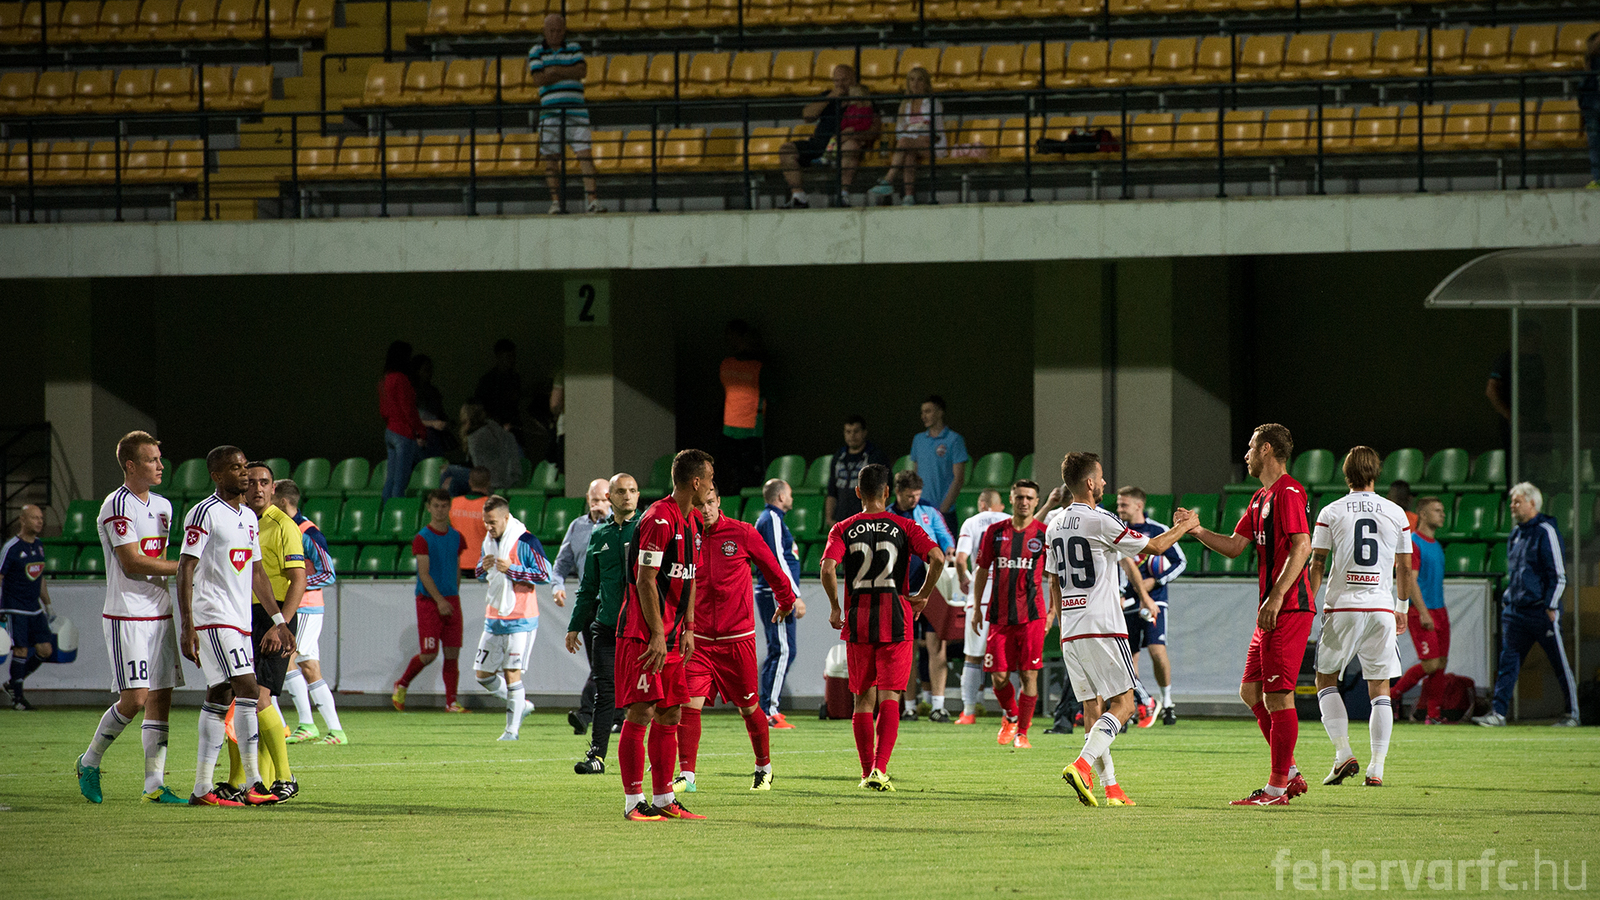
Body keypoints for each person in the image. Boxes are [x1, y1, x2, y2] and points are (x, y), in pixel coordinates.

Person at [1177, 423, 1315, 807]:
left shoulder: (1289, 492)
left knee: (1278, 696)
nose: (1246, 455)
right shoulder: (1260, 498)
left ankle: (1276, 789)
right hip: (1271, 609)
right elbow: (1236, 546)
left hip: (1287, 607)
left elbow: (1303, 545)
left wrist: (1277, 596)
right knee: (1251, 691)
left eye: (1251, 447)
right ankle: (1289, 773)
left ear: (1266, 449)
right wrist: (1196, 530)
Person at [1050, 453, 1192, 808]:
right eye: (1100, 478)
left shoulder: (1055, 524)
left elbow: (1053, 581)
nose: (1104, 484)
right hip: (1103, 626)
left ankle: (1110, 787)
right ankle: (1082, 765)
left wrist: (1063, 622)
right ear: (1089, 483)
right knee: (1125, 704)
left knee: (1092, 708)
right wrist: (1186, 526)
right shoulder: (1100, 520)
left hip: (1071, 629)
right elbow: (1156, 546)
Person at [175, 445, 294, 807]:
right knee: (249, 688)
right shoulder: (204, 513)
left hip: (240, 620)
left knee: (221, 694)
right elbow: (185, 567)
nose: (244, 473)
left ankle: (201, 788)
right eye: (236, 468)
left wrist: (279, 620)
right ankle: (255, 783)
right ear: (216, 475)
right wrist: (187, 624)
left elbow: (257, 573)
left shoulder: (247, 518)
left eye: (245, 466)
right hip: (213, 616)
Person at [75, 431, 186, 804]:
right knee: (135, 698)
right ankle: (89, 761)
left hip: (160, 613)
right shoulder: (116, 505)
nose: (160, 465)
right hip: (127, 614)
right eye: (152, 460)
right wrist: (186, 567)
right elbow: (132, 561)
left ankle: (154, 785)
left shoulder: (164, 506)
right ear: (131, 465)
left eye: (159, 458)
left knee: (160, 699)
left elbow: (158, 559)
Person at [821, 463, 944, 792]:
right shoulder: (905, 525)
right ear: (888, 492)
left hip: (859, 620)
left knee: (863, 699)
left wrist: (835, 607)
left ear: (858, 492)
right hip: (896, 619)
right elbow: (938, 557)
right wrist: (923, 595)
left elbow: (828, 568)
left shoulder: (842, 528)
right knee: (890, 696)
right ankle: (880, 769)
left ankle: (865, 773)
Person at [675, 483, 799, 793]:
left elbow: (772, 568)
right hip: (699, 639)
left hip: (737, 639)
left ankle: (764, 767)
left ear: (719, 501)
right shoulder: (685, 535)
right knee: (689, 706)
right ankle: (687, 775)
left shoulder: (742, 533)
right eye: (699, 504)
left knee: (749, 707)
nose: (705, 509)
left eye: (710, 502)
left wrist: (786, 600)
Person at [1307, 446, 1416, 788]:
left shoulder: (1331, 511)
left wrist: (1307, 602)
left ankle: (1343, 753)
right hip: (1381, 608)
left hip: (1343, 606)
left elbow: (1317, 563)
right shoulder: (1396, 513)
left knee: (1325, 679)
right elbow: (1404, 567)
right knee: (1380, 687)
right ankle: (1376, 767)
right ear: (1376, 472)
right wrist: (1402, 608)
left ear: (1346, 473)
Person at [613, 449, 714, 821]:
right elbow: (645, 580)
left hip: (672, 635)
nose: (712, 488)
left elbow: (690, 578)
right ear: (696, 482)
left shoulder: (693, 523)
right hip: (643, 634)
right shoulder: (659, 518)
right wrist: (657, 633)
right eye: (710, 481)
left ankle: (663, 798)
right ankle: (632, 801)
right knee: (641, 711)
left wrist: (689, 627)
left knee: (671, 714)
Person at [1472, 482, 1579, 727]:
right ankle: (1498, 713)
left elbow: (1559, 575)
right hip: (1516, 612)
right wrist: (1509, 600)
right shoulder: (1516, 534)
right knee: (1507, 663)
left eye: (1517, 501)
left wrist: (1551, 606)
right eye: (1512, 502)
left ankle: (1573, 714)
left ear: (1532, 503)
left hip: (1541, 611)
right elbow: (1516, 573)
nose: (1512, 506)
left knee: (1559, 662)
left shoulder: (1546, 531)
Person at [229, 462, 304, 799]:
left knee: (258, 698)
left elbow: (298, 580)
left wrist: (280, 624)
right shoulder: (238, 521)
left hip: (272, 616)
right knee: (240, 700)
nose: (257, 488)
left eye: (264, 482)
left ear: (274, 488)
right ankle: (242, 783)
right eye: (252, 482)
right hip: (241, 616)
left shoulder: (284, 526)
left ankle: (285, 778)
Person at [566, 472, 641, 775]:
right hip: (607, 625)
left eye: (632, 490)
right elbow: (588, 586)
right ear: (610, 497)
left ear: (638, 495)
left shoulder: (648, 529)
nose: (627, 496)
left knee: (650, 697)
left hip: (642, 629)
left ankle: (661, 759)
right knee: (605, 691)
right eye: (621, 491)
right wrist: (574, 625)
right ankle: (597, 756)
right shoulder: (600, 535)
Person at [971, 480, 1049, 748]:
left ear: (1036, 502)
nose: (1024, 502)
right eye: (1019, 497)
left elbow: (1055, 576)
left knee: (1029, 674)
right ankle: (1012, 716)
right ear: (1012, 499)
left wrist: (1053, 613)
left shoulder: (1044, 534)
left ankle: (1022, 733)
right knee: (998, 677)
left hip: (1032, 616)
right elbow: (982, 570)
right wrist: (977, 608)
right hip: (999, 616)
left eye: (1029, 498)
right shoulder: (994, 532)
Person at [475, 494, 559, 741]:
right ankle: (522, 704)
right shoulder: (488, 542)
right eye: (485, 522)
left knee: (512, 672)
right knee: (483, 675)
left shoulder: (526, 540)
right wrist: (483, 567)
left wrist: (512, 569)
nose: (488, 527)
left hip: (521, 618)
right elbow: (481, 574)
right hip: (494, 616)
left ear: (505, 518)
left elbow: (545, 574)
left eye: (492, 522)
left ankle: (511, 731)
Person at [273, 479, 346, 745]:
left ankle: (306, 724)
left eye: (272, 498)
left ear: (283, 502)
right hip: (298, 606)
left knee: (287, 657)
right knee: (310, 666)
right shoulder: (284, 528)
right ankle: (335, 731)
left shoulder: (308, 532)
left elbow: (328, 573)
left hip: (305, 607)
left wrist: (297, 585)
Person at [1114, 485, 1187, 727]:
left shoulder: (1158, 530)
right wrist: (1121, 592)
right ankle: (1135, 706)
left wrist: (1156, 580)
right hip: (1127, 601)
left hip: (1155, 600)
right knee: (1129, 656)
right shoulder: (1117, 529)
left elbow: (1180, 562)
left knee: (1157, 651)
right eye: (1118, 504)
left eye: (1124, 504)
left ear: (1139, 505)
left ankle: (1167, 703)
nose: (1119, 508)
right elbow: (1117, 565)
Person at [394, 490, 470, 713]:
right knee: (429, 654)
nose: (440, 510)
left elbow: (456, 567)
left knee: (452, 652)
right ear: (429, 508)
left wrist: (454, 595)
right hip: (429, 602)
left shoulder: (456, 537)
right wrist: (440, 601)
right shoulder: (423, 538)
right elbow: (424, 573)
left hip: (451, 600)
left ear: (449, 508)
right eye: (436, 506)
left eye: (444, 506)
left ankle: (451, 702)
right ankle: (402, 683)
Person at [888, 469, 954, 720]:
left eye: (917, 494)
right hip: (902, 591)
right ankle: (909, 706)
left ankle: (938, 705)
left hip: (932, 591)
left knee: (937, 646)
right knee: (908, 650)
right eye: (909, 495)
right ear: (897, 492)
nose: (914, 499)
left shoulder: (929, 512)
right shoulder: (889, 516)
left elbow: (945, 537)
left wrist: (949, 549)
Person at [529, 13, 604, 214]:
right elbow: (538, 79)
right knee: (551, 159)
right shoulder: (536, 51)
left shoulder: (574, 47)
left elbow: (581, 71)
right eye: (551, 30)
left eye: (559, 30)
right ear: (544, 31)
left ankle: (593, 200)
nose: (555, 34)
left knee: (585, 155)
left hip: (576, 111)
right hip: (550, 113)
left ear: (564, 31)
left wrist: (554, 71)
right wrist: (566, 71)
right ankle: (556, 202)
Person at [778, 63, 879, 209]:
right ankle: (799, 197)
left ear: (853, 80)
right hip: (819, 143)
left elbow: (874, 129)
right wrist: (830, 97)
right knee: (786, 149)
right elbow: (807, 116)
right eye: (837, 80)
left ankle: (842, 195)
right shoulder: (827, 96)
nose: (840, 84)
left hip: (844, 144)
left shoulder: (863, 99)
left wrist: (852, 135)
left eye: (844, 80)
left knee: (851, 146)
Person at [555, 477, 611, 734]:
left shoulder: (619, 526)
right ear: (587, 499)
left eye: (602, 499)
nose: (597, 504)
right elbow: (561, 563)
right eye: (593, 499)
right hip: (588, 604)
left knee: (605, 664)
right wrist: (557, 585)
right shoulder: (577, 527)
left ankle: (585, 714)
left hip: (613, 602)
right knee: (600, 665)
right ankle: (615, 716)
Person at [1392, 496, 1452, 723]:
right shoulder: (1414, 543)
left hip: (1440, 609)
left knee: (1440, 664)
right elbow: (1411, 580)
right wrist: (1423, 611)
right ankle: (1391, 696)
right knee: (1430, 663)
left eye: (1442, 510)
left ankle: (1432, 714)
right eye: (1437, 510)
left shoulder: (1436, 544)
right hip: (1422, 611)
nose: (1442, 514)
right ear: (1424, 514)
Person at [953, 488, 1008, 725]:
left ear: (982, 503)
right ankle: (1010, 715)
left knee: (973, 656)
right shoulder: (1010, 521)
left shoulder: (971, 522)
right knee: (1008, 658)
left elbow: (960, 559)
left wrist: (964, 579)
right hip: (1006, 595)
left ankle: (968, 712)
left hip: (980, 595)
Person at [754, 478, 804, 728]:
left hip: (773, 591)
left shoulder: (772, 519)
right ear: (781, 496)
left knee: (780, 649)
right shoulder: (772, 519)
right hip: (776, 593)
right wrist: (793, 594)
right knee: (783, 650)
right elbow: (777, 559)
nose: (791, 499)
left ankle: (768, 708)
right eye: (790, 494)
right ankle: (769, 711)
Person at [867, 66, 943, 206]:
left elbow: (936, 131)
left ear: (926, 83)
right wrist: (914, 135)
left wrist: (918, 134)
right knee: (908, 155)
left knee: (904, 143)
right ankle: (909, 196)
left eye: (920, 80)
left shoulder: (933, 102)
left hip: (930, 145)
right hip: (912, 143)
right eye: (912, 80)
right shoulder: (905, 104)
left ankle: (888, 180)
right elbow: (900, 130)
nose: (915, 83)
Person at [2, 504, 54, 710]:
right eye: (34, 518)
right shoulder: (12, 547)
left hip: (34, 608)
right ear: (22, 520)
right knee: (21, 649)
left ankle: (13, 684)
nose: (39, 521)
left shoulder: (39, 546)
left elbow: (39, 577)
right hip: (14, 607)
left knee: (45, 649)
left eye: (41, 518)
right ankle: (18, 699)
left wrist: (48, 604)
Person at [1486, 320, 1550, 475]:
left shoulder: (1536, 360)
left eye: (1539, 340)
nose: (1537, 344)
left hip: (1536, 422)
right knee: (1517, 467)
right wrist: (1511, 416)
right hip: (1516, 425)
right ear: (1522, 338)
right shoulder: (1506, 360)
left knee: (1539, 467)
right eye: (1534, 339)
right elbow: (1491, 391)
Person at [718, 320, 766, 497]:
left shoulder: (758, 366)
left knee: (748, 476)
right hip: (732, 428)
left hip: (750, 428)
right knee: (735, 475)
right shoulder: (727, 364)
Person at [908, 395, 969, 532]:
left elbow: (959, 478)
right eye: (922, 412)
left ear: (940, 412)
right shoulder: (918, 440)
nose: (923, 416)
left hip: (944, 514)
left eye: (928, 411)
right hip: (921, 512)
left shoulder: (954, 440)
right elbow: (915, 475)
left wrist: (943, 509)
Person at [822, 414, 891, 535]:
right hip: (842, 522)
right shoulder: (839, 457)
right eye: (848, 432)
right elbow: (832, 492)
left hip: (867, 523)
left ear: (864, 432)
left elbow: (884, 492)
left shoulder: (876, 456)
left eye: (856, 431)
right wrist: (829, 519)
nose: (852, 436)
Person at [443, 402, 524, 495]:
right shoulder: (494, 429)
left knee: (446, 470)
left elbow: (478, 468)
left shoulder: (476, 437)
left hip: (491, 480)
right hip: (506, 478)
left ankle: (439, 500)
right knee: (453, 482)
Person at [380, 340, 426, 501]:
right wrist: (420, 431)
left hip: (390, 430)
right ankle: (396, 510)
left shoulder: (385, 379)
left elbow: (383, 411)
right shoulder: (401, 379)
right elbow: (409, 410)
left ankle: (386, 510)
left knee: (390, 479)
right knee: (400, 480)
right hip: (403, 433)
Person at [474, 339, 526, 445]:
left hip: (513, 427)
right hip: (494, 430)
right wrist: (494, 422)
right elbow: (479, 407)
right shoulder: (488, 381)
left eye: (513, 356)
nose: (512, 360)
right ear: (499, 356)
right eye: (508, 357)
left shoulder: (514, 378)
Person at [450, 467, 492, 575]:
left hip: (457, 564)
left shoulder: (455, 503)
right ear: (488, 483)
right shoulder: (491, 506)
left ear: (469, 482)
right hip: (483, 566)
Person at [412, 354, 452, 457]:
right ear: (417, 371)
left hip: (435, 437)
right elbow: (411, 418)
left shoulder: (433, 391)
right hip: (420, 437)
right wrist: (432, 423)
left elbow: (440, 411)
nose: (430, 373)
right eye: (426, 370)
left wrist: (445, 422)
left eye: (431, 369)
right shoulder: (412, 393)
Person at [1581, 29, 1599, 190]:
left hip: (1593, 105)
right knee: (1594, 144)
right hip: (1592, 106)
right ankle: (1598, 178)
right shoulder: (1590, 61)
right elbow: (1586, 84)